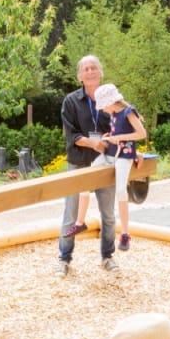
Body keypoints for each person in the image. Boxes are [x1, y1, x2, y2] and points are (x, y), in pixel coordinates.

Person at [56, 55, 117, 276]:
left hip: (106, 162)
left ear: (100, 72)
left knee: (108, 214)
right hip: (79, 162)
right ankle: (64, 258)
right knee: (70, 214)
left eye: (93, 68)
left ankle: (108, 256)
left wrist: (128, 149)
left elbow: (122, 126)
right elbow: (71, 135)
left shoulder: (111, 98)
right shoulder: (71, 101)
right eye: (86, 69)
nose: (90, 71)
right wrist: (93, 143)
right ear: (80, 76)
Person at [93, 83, 147, 252]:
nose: (103, 110)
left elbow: (141, 133)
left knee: (121, 190)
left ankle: (125, 233)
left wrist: (120, 138)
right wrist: (110, 136)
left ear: (110, 102)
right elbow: (118, 133)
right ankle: (80, 220)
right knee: (91, 170)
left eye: (103, 106)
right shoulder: (114, 114)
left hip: (124, 155)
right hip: (112, 152)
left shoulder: (128, 111)